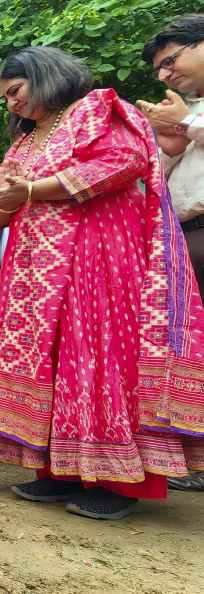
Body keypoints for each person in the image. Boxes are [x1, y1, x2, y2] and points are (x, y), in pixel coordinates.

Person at [0, 46, 204, 519]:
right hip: (35, 276)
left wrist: (33, 190)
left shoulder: (97, 109)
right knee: (54, 361)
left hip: (96, 257)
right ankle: (58, 471)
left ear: (44, 77)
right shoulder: (23, 142)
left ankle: (118, 481)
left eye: (15, 92)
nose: (11, 104)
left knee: (96, 354)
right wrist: (0, 204)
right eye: (5, 98)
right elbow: (0, 205)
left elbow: (122, 162)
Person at [138, 14, 204, 492]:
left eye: (170, 61)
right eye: (159, 69)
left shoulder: (187, 112)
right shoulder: (188, 110)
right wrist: (173, 139)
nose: (164, 75)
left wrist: (181, 122)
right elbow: (159, 177)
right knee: (188, 350)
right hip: (184, 238)